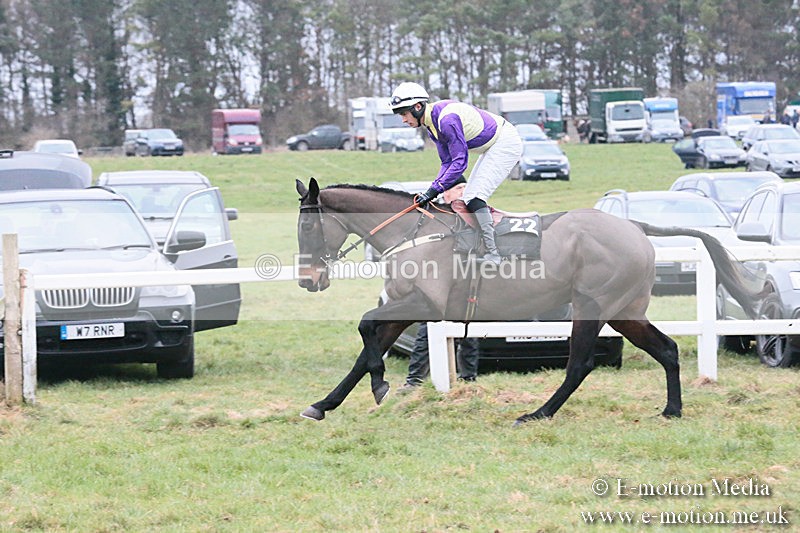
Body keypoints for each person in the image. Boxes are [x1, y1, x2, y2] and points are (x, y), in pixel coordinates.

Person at [389, 82, 523, 264]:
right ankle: (480, 245)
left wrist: (435, 190)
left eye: (404, 113)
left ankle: (494, 253)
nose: (404, 119)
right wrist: (431, 190)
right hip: (493, 145)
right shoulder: (432, 126)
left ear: (418, 107)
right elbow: (446, 162)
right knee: (468, 197)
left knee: (475, 196)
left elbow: (460, 163)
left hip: (505, 142)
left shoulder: (446, 121)